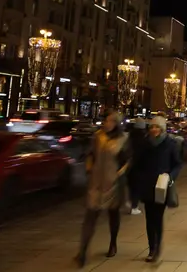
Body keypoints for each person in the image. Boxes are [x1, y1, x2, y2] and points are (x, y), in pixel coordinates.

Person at [75, 110, 129, 267]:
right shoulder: (98, 136)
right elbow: (90, 154)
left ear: (117, 124)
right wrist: (89, 168)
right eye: (106, 120)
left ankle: (113, 243)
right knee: (90, 216)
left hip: (113, 184)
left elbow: (127, 160)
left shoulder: (123, 139)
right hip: (96, 183)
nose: (107, 123)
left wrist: (120, 173)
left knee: (113, 214)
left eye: (111, 121)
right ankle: (82, 252)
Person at [131, 115, 182, 262]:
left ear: (162, 129)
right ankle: (151, 248)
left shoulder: (170, 144)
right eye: (152, 127)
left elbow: (177, 163)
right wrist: (140, 177)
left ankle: (157, 247)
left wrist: (170, 176)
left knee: (157, 217)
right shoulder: (145, 143)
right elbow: (137, 163)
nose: (154, 130)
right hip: (147, 185)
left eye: (157, 127)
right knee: (149, 218)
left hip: (162, 186)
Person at [126, 117, 148, 215]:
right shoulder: (143, 138)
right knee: (137, 187)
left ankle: (130, 202)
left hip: (129, 165)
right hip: (139, 166)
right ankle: (134, 206)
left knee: (131, 185)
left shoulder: (129, 136)